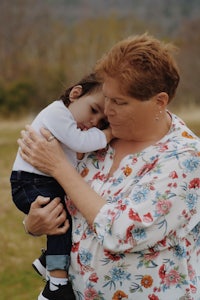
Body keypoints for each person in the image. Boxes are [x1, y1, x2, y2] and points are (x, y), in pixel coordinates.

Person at [18, 33, 200, 300]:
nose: (108, 109)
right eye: (107, 97)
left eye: (120, 102)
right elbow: (65, 204)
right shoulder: (97, 138)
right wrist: (33, 224)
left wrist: (59, 166)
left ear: (159, 101)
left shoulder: (185, 158)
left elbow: (122, 232)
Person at [10, 73, 113, 300]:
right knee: (60, 223)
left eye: (103, 121)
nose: (95, 122)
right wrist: (109, 132)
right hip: (29, 182)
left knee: (67, 216)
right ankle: (56, 285)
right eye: (94, 110)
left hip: (41, 181)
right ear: (75, 94)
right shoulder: (57, 113)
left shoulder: (68, 120)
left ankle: (47, 261)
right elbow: (80, 143)